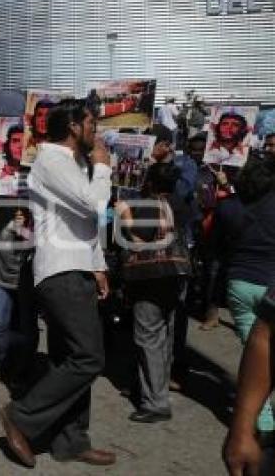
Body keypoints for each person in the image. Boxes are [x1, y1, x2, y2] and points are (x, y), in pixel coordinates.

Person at [0, 99, 116, 467]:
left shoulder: (73, 163)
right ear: (74, 128)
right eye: (92, 124)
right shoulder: (51, 160)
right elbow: (92, 206)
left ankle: (71, 441)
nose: (96, 132)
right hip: (60, 271)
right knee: (89, 357)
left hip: (77, 268)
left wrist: (97, 265)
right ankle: (21, 416)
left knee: (70, 356)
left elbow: (84, 225)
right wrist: (103, 168)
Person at [116, 162, 187, 423]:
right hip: (177, 274)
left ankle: (155, 402)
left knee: (148, 337)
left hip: (151, 278)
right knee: (165, 333)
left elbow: (141, 240)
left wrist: (124, 214)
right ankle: (156, 387)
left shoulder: (148, 204)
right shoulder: (181, 203)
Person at [223, 152, 275, 440]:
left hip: (240, 283)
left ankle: (264, 420)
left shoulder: (230, 208)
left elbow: (217, 242)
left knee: (253, 351)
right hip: (271, 284)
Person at [0, 207, 32, 383]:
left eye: (23, 216)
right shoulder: (7, 230)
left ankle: (20, 366)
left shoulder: (32, 233)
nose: (19, 218)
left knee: (25, 328)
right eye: (16, 215)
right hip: (2, 282)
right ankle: (4, 360)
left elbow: (36, 240)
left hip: (24, 285)